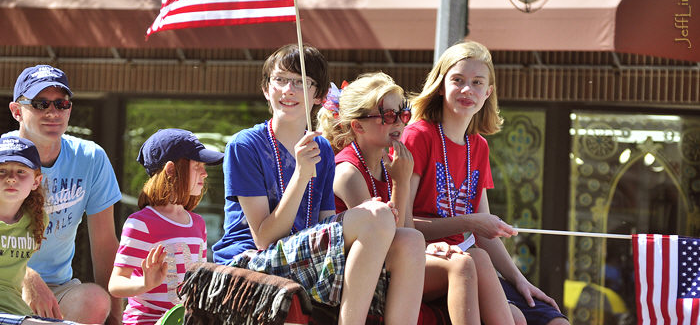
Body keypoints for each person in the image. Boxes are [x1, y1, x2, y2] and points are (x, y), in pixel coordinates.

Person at [212, 44, 425, 324]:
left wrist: (369, 215)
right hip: (251, 259)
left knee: (411, 238)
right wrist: (301, 175)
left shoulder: (322, 148)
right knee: (375, 216)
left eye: (301, 82)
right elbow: (264, 238)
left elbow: (325, 224)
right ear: (266, 89)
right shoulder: (246, 145)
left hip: (303, 257)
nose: (288, 89)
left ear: (319, 96)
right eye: (280, 79)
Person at [318, 72, 513, 325]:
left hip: (396, 261)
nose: (399, 123)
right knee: (462, 266)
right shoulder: (348, 172)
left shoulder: (388, 163)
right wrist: (400, 182)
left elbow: (407, 233)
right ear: (358, 126)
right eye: (388, 116)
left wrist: (430, 248)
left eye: (404, 114)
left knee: (480, 260)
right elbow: (386, 241)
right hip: (362, 274)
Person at [402, 41, 569, 325]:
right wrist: (470, 223)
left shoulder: (478, 147)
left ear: (488, 92)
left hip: (467, 260)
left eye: (477, 83)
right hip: (422, 259)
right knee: (478, 263)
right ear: (441, 86)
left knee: (550, 320)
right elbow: (403, 225)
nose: (468, 90)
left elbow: (483, 232)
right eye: (458, 80)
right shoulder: (418, 136)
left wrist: (520, 280)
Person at [6, 65, 122, 324]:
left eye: (61, 104)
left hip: (59, 290)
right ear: (17, 111)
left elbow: (104, 244)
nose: (53, 112)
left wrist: (116, 317)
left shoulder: (91, 158)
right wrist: (26, 276)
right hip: (5, 282)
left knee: (95, 301)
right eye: (40, 104)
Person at [109, 128, 224, 325]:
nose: (204, 173)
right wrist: (145, 284)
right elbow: (116, 284)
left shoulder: (198, 223)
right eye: (197, 165)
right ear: (171, 170)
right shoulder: (141, 223)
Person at [0, 136, 90, 325]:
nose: (10, 177)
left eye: (21, 171)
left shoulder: (36, 219)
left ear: (36, 181)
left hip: (16, 311)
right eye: (1, 171)